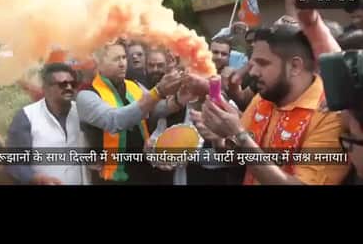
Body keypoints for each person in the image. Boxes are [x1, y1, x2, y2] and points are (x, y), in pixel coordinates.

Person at [198, 25, 350, 185]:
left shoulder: (331, 113)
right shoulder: (265, 96)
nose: (253, 72)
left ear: (295, 66)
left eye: (263, 63)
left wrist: (239, 134)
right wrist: (218, 138)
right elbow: (239, 158)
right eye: (252, 63)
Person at [76, 39, 183, 184]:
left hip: (143, 172)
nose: (123, 64)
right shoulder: (86, 95)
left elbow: (154, 110)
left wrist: (180, 99)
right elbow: (114, 120)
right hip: (110, 179)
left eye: (124, 57)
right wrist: (158, 92)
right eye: (116, 59)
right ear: (99, 63)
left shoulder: (133, 86)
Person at [5, 62, 83, 185]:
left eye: (72, 84)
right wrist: (36, 179)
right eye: (62, 84)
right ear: (46, 88)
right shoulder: (27, 117)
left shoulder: (82, 112)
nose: (69, 87)